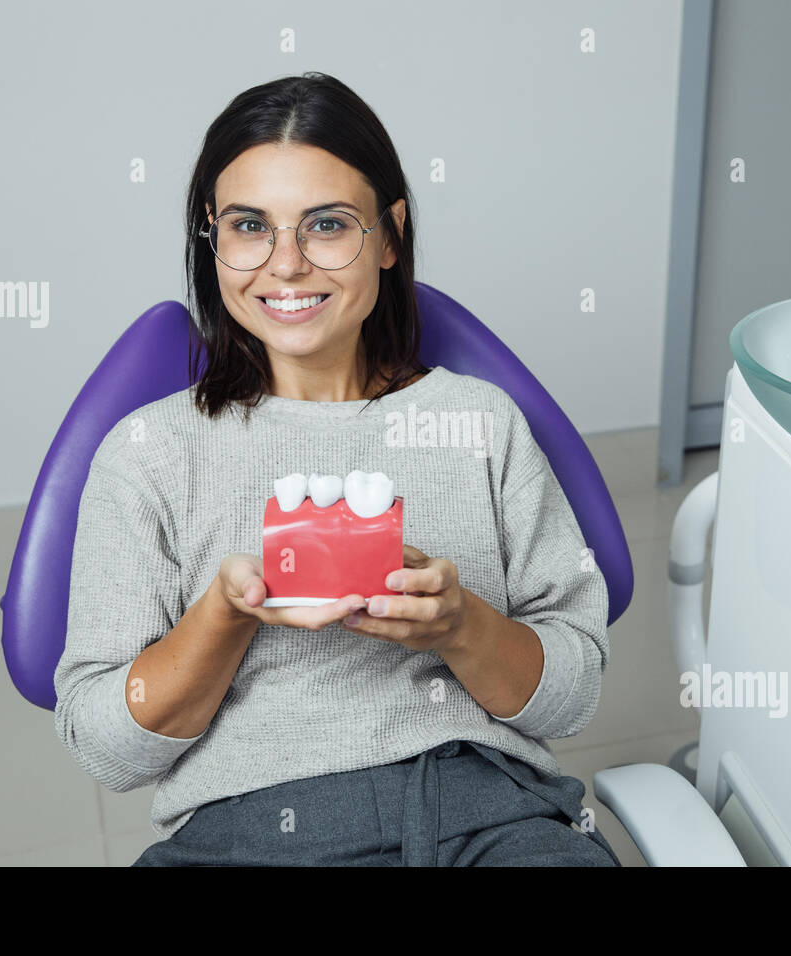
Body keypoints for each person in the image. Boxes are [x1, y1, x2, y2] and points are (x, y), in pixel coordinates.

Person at [53, 72, 620, 866]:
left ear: (389, 237)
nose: (285, 265)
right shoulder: (148, 454)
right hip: (242, 837)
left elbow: (571, 696)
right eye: (251, 226)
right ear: (210, 235)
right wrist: (224, 614)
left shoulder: (481, 425)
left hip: (483, 819)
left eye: (326, 225)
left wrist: (461, 626)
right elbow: (109, 750)